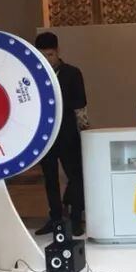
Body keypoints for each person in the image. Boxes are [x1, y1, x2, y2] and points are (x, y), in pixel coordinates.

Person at [34, 32, 88, 237]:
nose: (47, 59)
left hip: (67, 132)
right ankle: (55, 218)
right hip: (45, 135)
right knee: (49, 178)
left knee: (75, 175)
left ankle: (75, 217)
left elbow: (81, 103)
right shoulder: (34, 75)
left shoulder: (72, 73)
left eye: (50, 55)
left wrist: (83, 128)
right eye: (42, 55)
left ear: (57, 52)